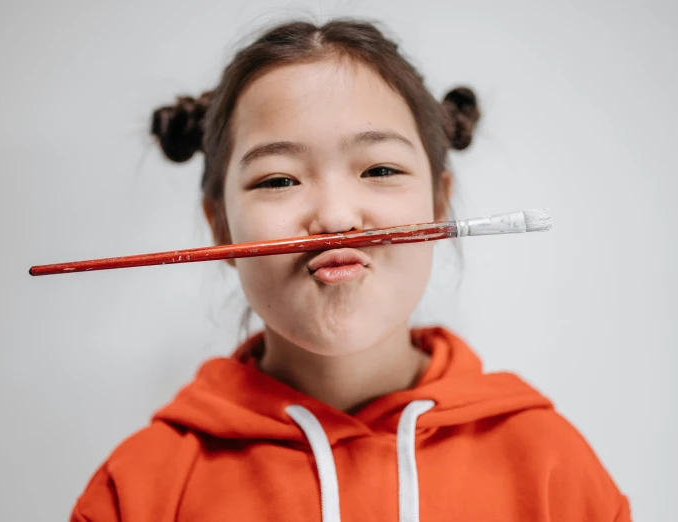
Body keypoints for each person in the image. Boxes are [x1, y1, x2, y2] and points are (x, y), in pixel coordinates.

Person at [70, 18, 630, 522]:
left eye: (380, 168)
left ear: (440, 204)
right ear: (220, 226)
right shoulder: (141, 492)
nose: (336, 216)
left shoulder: (553, 469)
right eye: (278, 180)